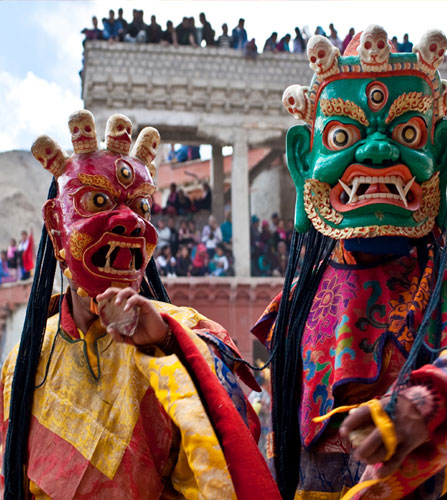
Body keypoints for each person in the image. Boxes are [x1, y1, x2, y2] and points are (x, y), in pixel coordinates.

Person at [254, 26, 447, 499]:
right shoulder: (297, 302)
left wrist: (425, 404)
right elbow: (266, 426)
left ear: (441, 155)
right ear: (304, 161)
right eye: (344, 134)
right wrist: (168, 343)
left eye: (408, 132)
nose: (378, 151)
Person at [0, 110, 280, 499]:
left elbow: (228, 468)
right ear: (55, 225)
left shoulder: (186, 336)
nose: (132, 223)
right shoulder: (25, 360)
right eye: (97, 201)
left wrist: (167, 346)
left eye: (141, 208)